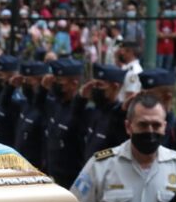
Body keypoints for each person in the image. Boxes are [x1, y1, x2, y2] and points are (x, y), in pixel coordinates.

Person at [41, 59, 89, 188]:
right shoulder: (57, 104)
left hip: (72, 182)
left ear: (74, 83)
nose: (55, 83)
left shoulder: (83, 111)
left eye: (59, 80)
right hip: (52, 177)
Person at [80, 63, 127, 161]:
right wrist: (80, 100)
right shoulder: (94, 111)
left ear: (115, 87)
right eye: (94, 84)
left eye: (100, 85)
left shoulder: (119, 117)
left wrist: (95, 159)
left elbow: (115, 151)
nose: (95, 88)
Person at [11, 61, 51, 168]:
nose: (25, 84)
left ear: (41, 82)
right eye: (24, 80)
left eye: (29, 81)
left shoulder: (47, 107)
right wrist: (10, 87)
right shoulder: (25, 103)